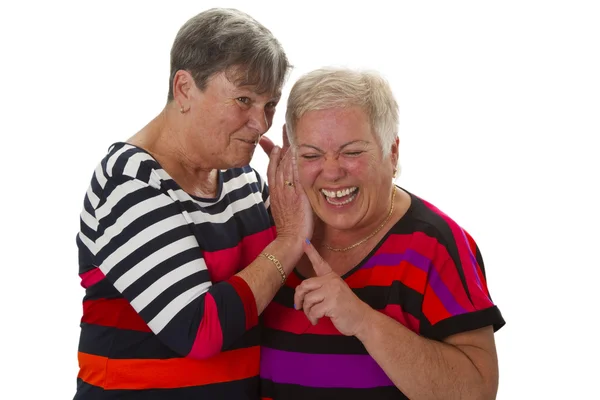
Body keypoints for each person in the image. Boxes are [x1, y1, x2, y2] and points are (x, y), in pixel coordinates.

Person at [74, 8, 311, 399]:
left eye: (269, 104)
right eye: (243, 99)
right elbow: (198, 329)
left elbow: (282, 288)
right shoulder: (130, 181)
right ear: (184, 89)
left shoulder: (240, 177)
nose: (261, 122)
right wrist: (287, 242)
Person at [259, 68, 506, 400]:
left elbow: (477, 391)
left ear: (392, 152)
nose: (331, 171)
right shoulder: (268, 230)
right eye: (311, 155)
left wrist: (362, 320)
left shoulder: (436, 244)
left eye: (352, 152)